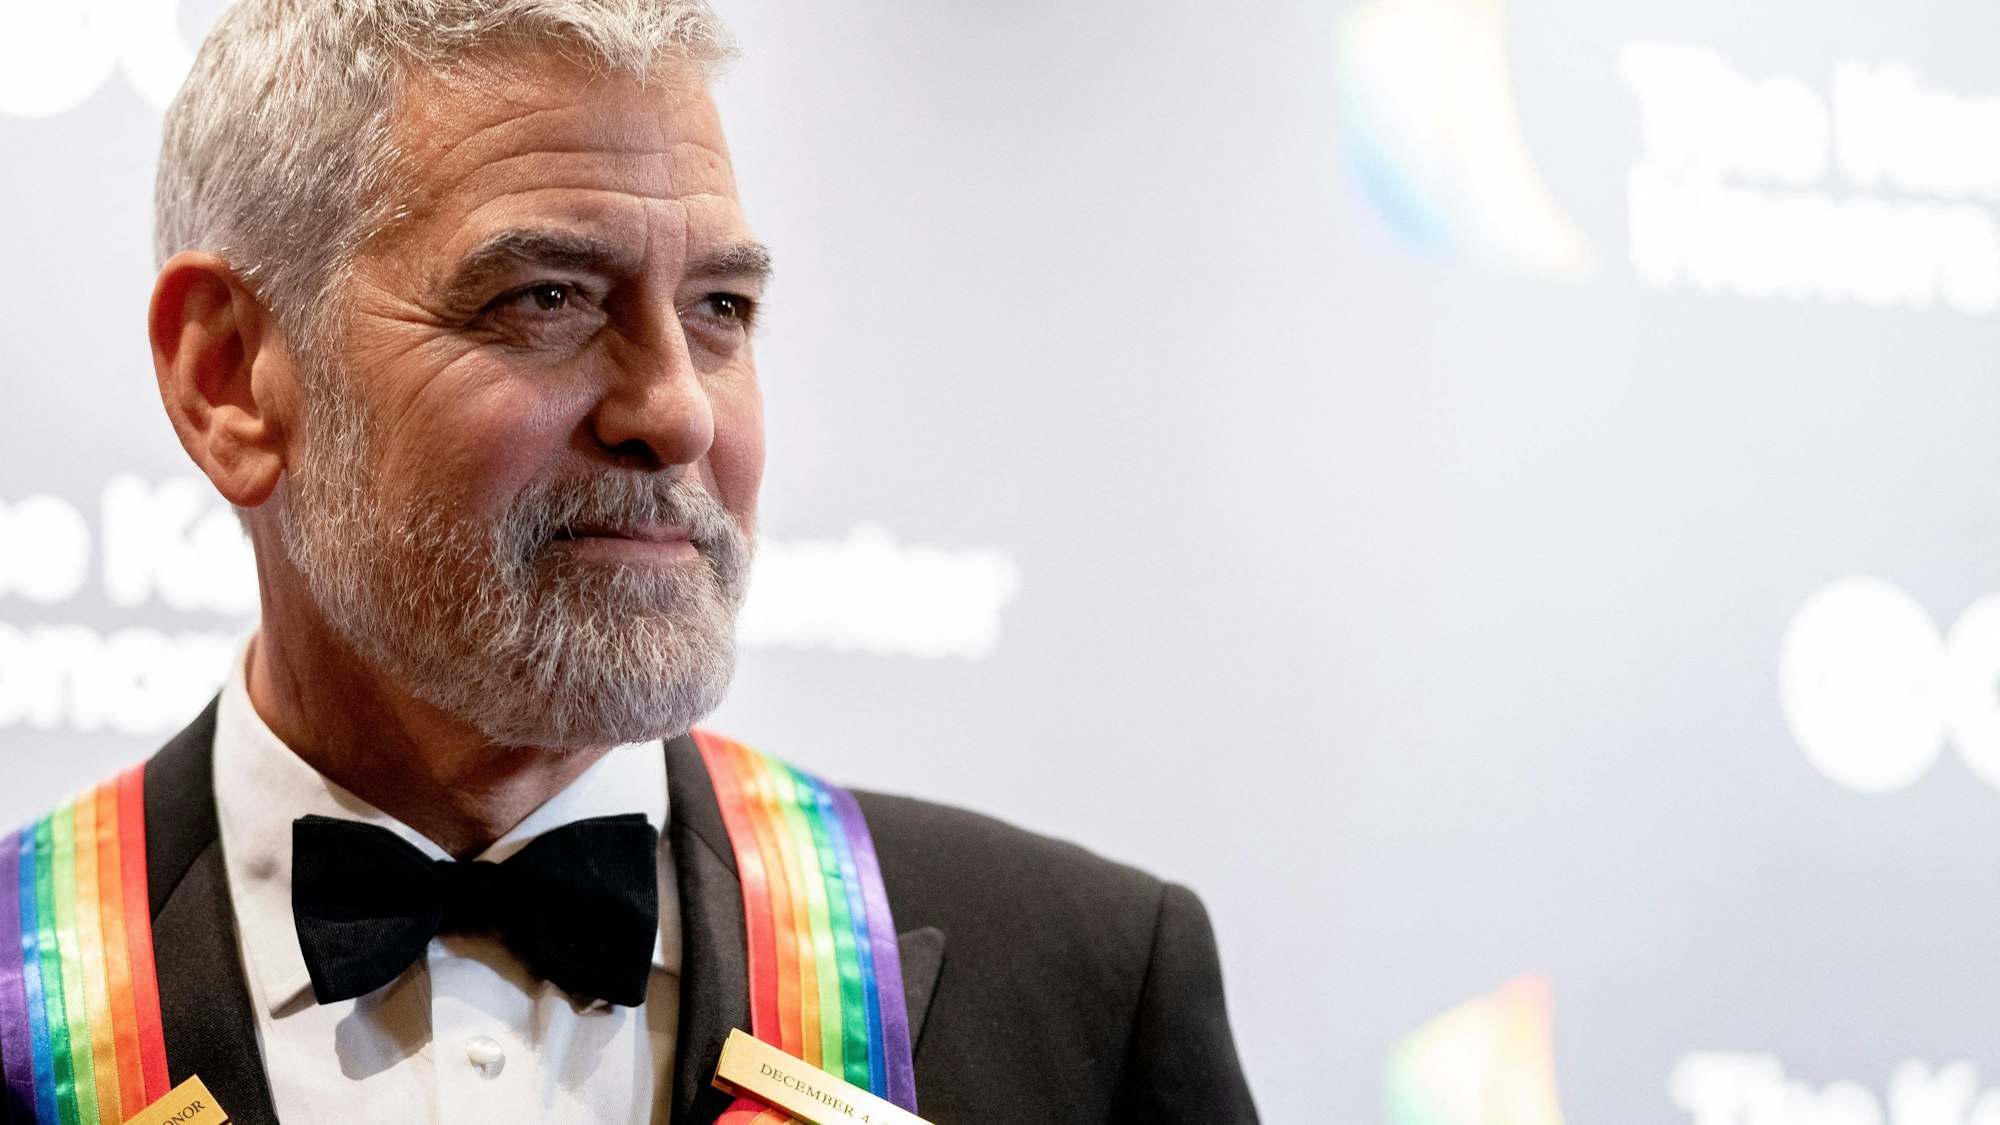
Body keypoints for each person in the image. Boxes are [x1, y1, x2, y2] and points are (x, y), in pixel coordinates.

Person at [0, 1, 1258, 1122]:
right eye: (547, 296)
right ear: (229, 379)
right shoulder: (32, 993)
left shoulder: (1083, 988)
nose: (679, 412)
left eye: (720, 310)